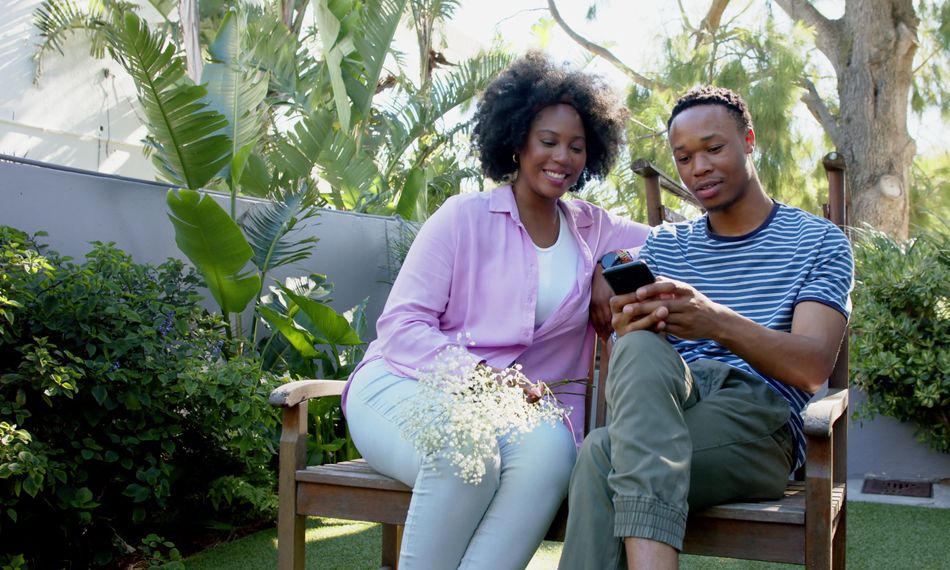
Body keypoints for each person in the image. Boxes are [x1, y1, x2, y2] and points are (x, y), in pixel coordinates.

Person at [342, 52, 649, 570]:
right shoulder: (463, 217)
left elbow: (679, 244)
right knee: (468, 455)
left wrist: (610, 263)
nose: (563, 158)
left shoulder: (593, 228)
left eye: (577, 146)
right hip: (408, 385)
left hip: (525, 415)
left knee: (552, 460)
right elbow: (400, 327)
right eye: (548, 141)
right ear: (516, 141)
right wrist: (483, 378)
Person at [558, 86, 854, 570]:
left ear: (749, 140)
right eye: (683, 157)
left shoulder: (817, 241)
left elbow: (811, 365)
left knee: (600, 455)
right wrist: (627, 318)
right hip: (678, 404)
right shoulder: (667, 245)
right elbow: (633, 355)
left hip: (760, 419)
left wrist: (715, 322)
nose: (699, 168)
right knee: (635, 351)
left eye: (713, 149)